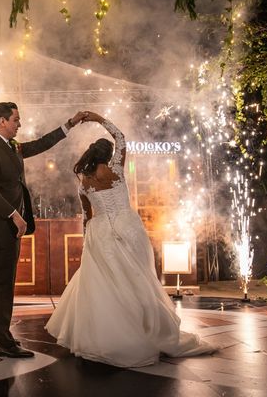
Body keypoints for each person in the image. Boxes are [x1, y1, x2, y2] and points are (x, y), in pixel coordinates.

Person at [45, 111, 216, 367]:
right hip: (127, 228)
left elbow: (86, 217)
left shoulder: (84, 184)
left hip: (99, 232)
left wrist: (87, 240)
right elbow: (121, 137)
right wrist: (97, 118)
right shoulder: (116, 170)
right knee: (137, 280)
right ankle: (144, 330)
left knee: (105, 286)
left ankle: (106, 337)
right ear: (108, 155)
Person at [0, 102, 86, 358]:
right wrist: (15, 216)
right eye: (16, 120)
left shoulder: (12, 147)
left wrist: (69, 124)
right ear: (2, 121)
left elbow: (40, 144)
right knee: (1, 282)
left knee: (1, 281)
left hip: (10, 224)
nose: (19, 124)